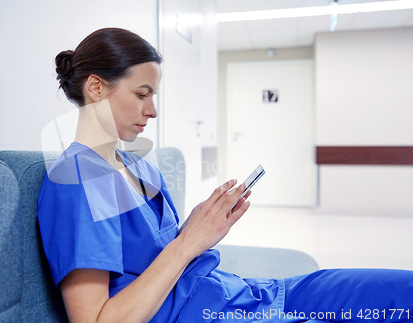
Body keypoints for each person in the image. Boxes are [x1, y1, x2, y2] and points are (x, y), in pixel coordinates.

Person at [37, 28, 413, 323]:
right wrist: (188, 244)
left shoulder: (139, 166)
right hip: (210, 314)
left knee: (402, 292)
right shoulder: (75, 182)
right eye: (141, 94)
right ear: (97, 87)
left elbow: (155, 254)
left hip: (248, 294)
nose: (152, 110)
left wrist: (203, 225)